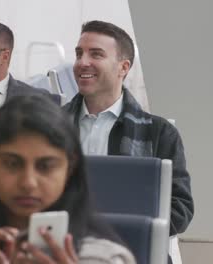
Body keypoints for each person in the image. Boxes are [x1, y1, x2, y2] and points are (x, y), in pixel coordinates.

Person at [0, 95, 136, 263]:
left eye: (46, 166)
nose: (28, 182)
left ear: (70, 168)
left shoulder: (105, 259)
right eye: (11, 164)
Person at [63, 20, 194, 258]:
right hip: (60, 250)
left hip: (131, 253)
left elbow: (180, 208)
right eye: (79, 53)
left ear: (123, 67)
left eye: (96, 54)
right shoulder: (48, 126)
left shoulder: (159, 133)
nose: (82, 62)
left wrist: (118, 230)